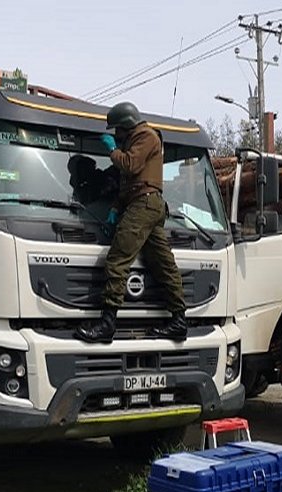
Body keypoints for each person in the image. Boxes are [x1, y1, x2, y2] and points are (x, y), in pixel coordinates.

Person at [75, 101, 186, 343]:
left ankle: (107, 324)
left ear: (125, 125)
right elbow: (128, 185)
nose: (115, 134)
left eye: (117, 129)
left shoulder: (146, 136)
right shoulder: (136, 139)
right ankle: (179, 319)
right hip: (145, 203)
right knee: (163, 263)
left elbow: (129, 164)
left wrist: (112, 150)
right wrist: (115, 209)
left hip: (144, 205)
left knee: (117, 259)